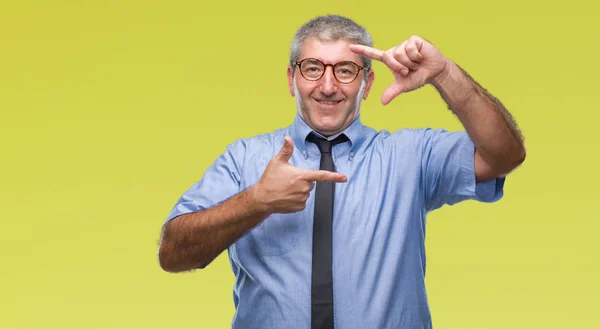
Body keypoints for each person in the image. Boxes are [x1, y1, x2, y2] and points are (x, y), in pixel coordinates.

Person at [157, 14, 525, 329]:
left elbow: (503, 154)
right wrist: (256, 201)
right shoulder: (244, 158)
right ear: (291, 79)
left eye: (346, 70)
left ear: (367, 84)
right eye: (313, 68)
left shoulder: (411, 156)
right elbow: (172, 254)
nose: (328, 86)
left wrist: (443, 73)